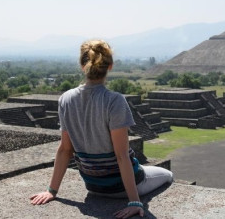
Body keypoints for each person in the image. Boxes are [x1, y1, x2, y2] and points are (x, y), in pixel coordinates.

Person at [30, 39, 173, 218]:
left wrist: (52, 191)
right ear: (110, 66)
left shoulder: (65, 99)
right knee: (168, 175)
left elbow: (65, 149)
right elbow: (121, 156)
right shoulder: (114, 100)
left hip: (93, 186)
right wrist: (135, 202)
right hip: (121, 188)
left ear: (83, 66)